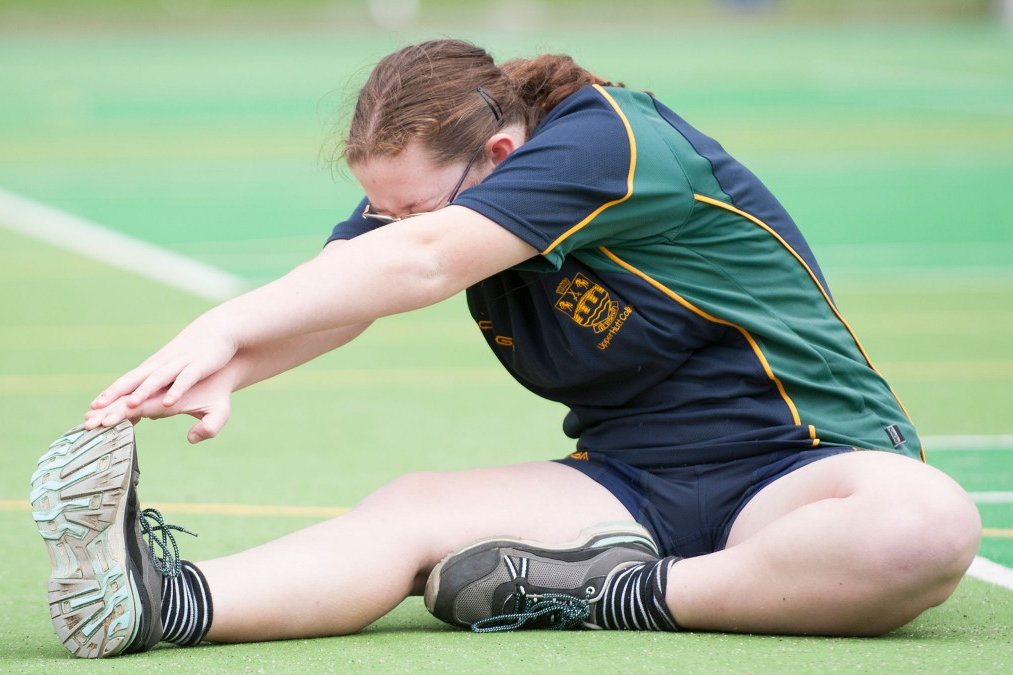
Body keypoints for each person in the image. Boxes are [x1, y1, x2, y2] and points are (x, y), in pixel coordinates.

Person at [30, 39, 981, 658]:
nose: (388, 225)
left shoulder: (608, 138)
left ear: (496, 157)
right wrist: (220, 368)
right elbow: (339, 296)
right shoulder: (431, 205)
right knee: (410, 511)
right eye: (381, 207)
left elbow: (421, 261)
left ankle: (617, 596)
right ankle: (154, 603)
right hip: (631, 483)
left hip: (806, 463)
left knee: (923, 525)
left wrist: (223, 321)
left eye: (407, 205)